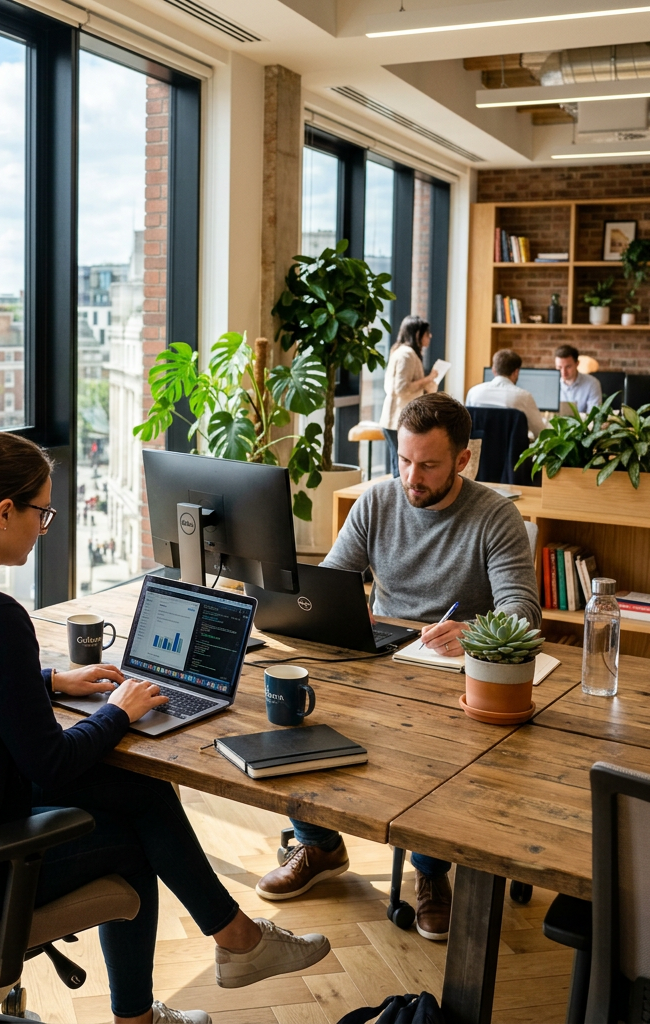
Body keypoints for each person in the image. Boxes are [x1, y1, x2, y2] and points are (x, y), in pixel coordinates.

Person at [0, 431, 331, 1024]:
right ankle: (186, 980)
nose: (45, 526)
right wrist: (121, 711)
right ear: (3, 512)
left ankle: (236, 941)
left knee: (141, 791)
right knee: (133, 847)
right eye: (41, 512)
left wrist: (48, 683)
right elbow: (52, 764)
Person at [254, 394, 540, 943]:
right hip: (379, 658)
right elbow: (333, 579)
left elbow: (521, 613)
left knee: (433, 749)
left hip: (446, 669)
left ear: (462, 460)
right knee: (287, 714)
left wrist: (474, 632)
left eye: (428, 464)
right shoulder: (378, 502)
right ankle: (317, 842)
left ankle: (431, 874)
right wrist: (338, 604)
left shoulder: (494, 515)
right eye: (403, 461)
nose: (411, 476)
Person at [379, 316, 438, 472]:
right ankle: (399, 497)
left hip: (399, 418)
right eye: (427, 333)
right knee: (401, 468)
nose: (430, 336)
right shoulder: (406, 355)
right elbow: (401, 388)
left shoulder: (406, 352)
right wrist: (428, 379)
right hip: (397, 419)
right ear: (417, 334)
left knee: (400, 465)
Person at [465, 348, 546, 438]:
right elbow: (541, 433)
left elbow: (466, 427)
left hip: (479, 451)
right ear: (516, 372)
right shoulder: (524, 397)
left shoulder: (473, 392)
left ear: (494, 370)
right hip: (512, 452)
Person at [555, 344, 602, 414]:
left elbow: (593, 415)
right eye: (559, 367)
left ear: (577, 364)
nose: (563, 372)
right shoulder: (550, 384)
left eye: (568, 367)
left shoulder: (592, 383)